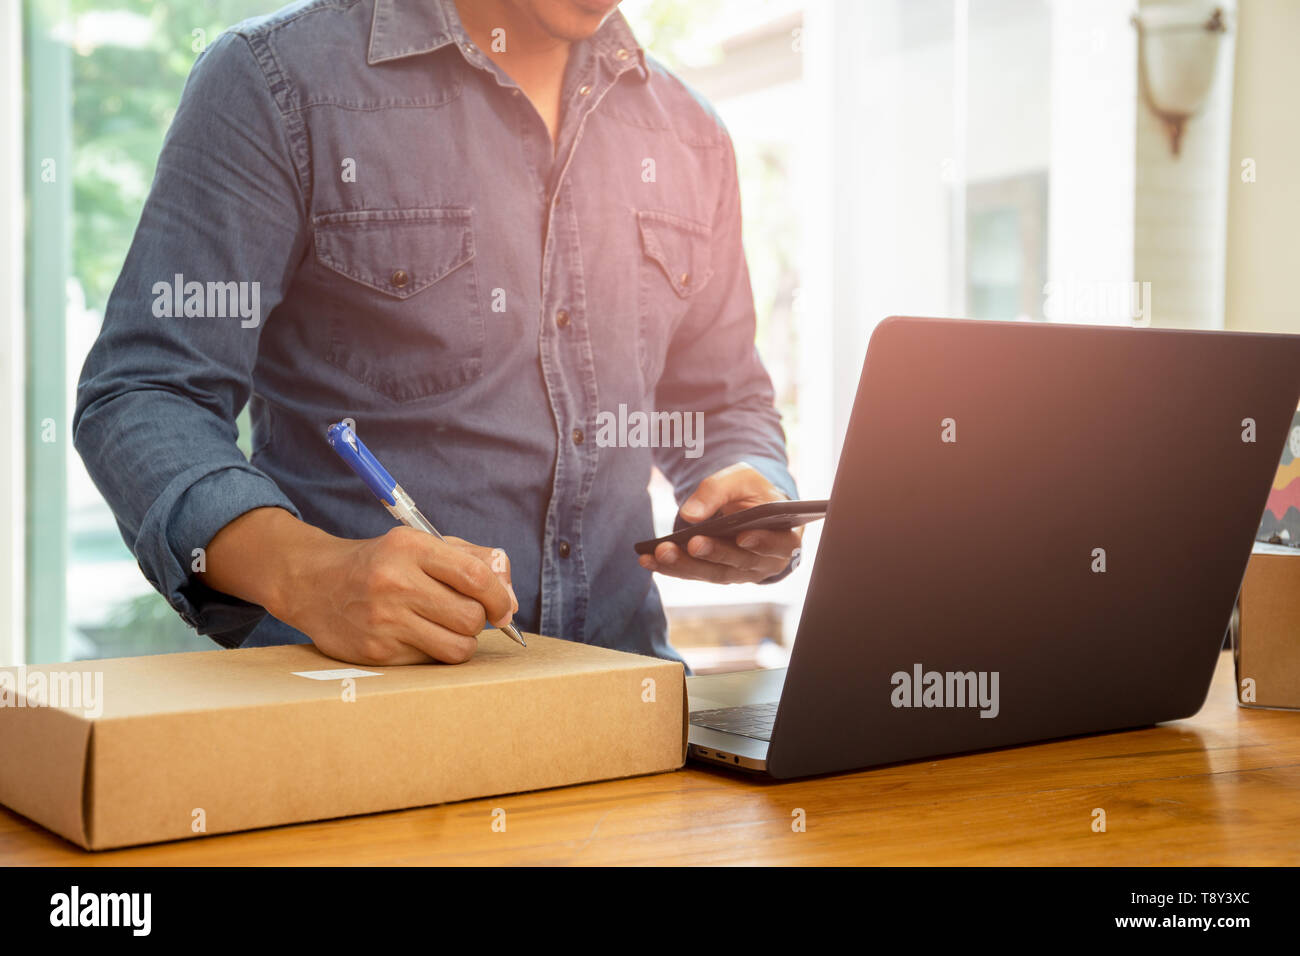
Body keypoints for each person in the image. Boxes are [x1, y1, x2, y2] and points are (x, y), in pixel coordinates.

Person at [73, 0, 800, 666]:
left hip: (627, 711)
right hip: (357, 721)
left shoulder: (690, 134)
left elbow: (723, 399)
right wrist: (307, 572)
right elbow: (144, 393)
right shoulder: (276, 81)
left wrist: (746, 488)